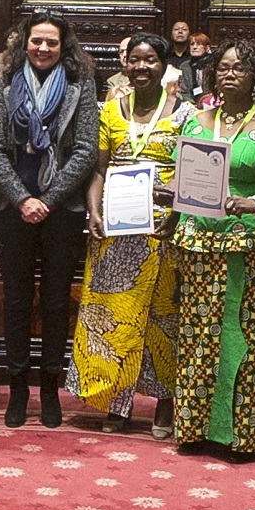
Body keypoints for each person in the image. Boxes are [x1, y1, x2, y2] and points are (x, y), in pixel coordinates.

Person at [172, 39, 255, 457]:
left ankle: (243, 435)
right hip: (197, 240)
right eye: (222, 67)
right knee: (196, 336)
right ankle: (195, 431)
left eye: (240, 68)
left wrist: (253, 204)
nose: (229, 74)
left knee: (243, 333)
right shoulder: (194, 122)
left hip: (248, 245)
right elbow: (184, 184)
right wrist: (165, 200)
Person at [0, 12, 98, 427]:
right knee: (14, 301)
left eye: (52, 42)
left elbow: (85, 149)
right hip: (14, 211)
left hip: (60, 211)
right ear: (24, 43)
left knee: (54, 302)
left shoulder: (79, 86)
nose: (43, 49)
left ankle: (50, 389)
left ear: (63, 45)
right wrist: (21, 199)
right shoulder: (6, 82)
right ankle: (18, 388)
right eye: (37, 41)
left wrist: (46, 200)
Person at [72, 32, 181, 434]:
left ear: (164, 65)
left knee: (163, 319)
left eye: (150, 60)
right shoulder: (109, 112)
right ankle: (117, 404)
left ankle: (165, 404)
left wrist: (176, 210)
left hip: (162, 229)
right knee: (115, 319)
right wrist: (94, 211)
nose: (140, 68)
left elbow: (191, 173)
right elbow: (98, 170)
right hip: (116, 228)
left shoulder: (185, 114)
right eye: (134, 60)